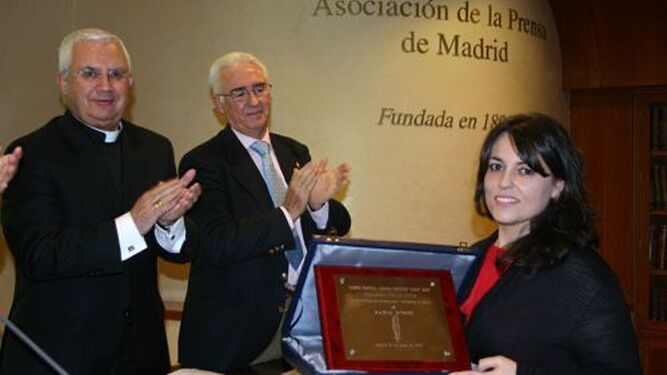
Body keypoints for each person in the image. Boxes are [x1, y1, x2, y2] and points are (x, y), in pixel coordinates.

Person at [0, 28, 201, 375]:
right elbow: (39, 256)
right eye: (90, 73)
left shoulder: (155, 148)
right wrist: (134, 223)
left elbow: (176, 251)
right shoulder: (32, 153)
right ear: (64, 81)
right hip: (59, 354)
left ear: (131, 83)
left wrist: (171, 222)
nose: (105, 86)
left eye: (117, 74)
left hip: (141, 352)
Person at [177, 52, 351, 372]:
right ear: (219, 104)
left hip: (300, 321)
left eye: (260, 88)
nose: (254, 100)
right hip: (236, 335)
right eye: (239, 93)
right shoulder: (203, 162)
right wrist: (289, 211)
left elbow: (328, 228)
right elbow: (217, 241)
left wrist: (319, 204)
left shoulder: (293, 151)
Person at [451, 114, 641, 374]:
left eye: (525, 171)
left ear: (557, 187)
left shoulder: (581, 276)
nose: (504, 182)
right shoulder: (470, 259)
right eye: (496, 167)